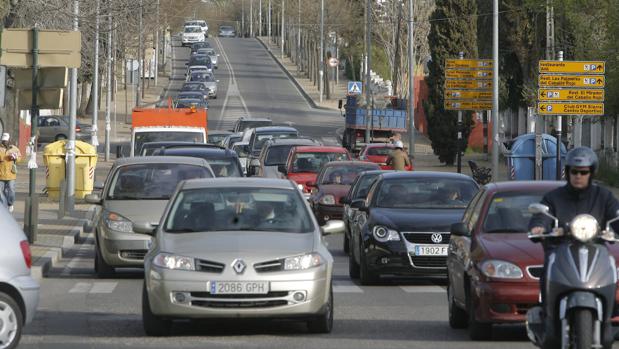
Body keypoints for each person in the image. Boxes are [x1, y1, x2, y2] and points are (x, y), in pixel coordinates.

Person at [528, 147, 619, 303]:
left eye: (583, 172)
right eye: (574, 171)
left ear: (591, 173)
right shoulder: (554, 197)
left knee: (611, 266)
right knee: (549, 266)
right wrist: (539, 227)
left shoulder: (604, 196)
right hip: (561, 250)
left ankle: (608, 314)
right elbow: (542, 215)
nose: (578, 176)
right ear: (568, 172)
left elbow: (615, 215)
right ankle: (548, 315)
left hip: (595, 251)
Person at [0, 133, 21, 213]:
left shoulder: (14, 149)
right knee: (0, 192)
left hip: (11, 174)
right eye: (3, 140)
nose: (4, 142)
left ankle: (10, 203)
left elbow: (19, 158)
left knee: (11, 190)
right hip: (1, 174)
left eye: (6, 140)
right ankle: (3, 205)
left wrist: (15, 158)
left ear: (9, 140)